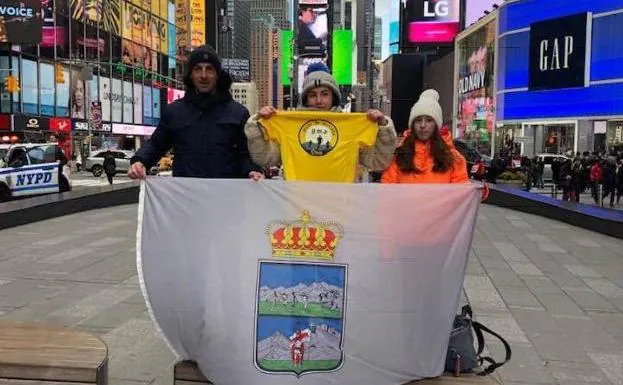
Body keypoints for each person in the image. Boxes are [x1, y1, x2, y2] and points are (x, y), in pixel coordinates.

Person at [127, 45, 263, 181]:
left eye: (209, 69)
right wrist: (140, 161)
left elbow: (246, 154)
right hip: (186, 197)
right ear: (191, 75)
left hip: (225, 197)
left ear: (217, 74)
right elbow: (156, 144)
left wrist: (253, 170)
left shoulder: (238, 113)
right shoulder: (174, 112)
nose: (203, 75)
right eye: (198, 69)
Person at [244, 69, 397, 182]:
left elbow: (378, 162)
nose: (319, 101)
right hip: (298, 204)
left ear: (333, 97)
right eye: (312, 95)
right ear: (305, 99)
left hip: (339, 206)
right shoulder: (289, 123)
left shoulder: (351, 125)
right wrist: (257, 125)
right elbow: (265, 159)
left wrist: (383, 127)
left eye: (325, 94)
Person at [381, 89, 468, 184]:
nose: (423, 125)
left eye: (429, 120)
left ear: (436, 125)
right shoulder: (399, 156)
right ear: (413, 125)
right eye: (418, 120)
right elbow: (388, 189)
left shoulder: (454, 158)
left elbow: (461, 193)